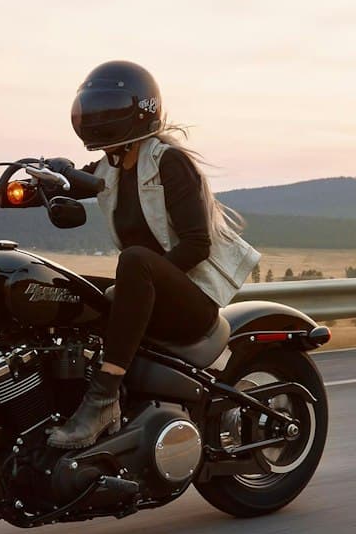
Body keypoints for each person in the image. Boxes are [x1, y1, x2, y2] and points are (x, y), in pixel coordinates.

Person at [47, 60, 261, 447]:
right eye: (93, 108)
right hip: (153, 290)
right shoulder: (109, 167)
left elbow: (198, 244)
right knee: (64, 289)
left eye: (107, 107)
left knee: (133, 261)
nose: (96, 117)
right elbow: (47, 190)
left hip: (192, 304)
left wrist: (147, 279)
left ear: (138, 110)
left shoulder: (169, 162)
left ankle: (103, 398)